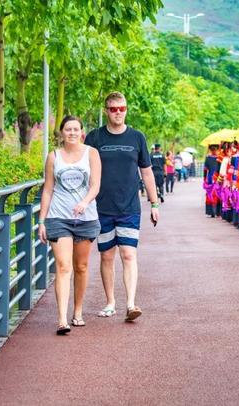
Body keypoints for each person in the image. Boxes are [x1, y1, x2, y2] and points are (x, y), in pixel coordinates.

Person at [84, 91, 159, 322]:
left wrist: (154, 203)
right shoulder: (95, 138)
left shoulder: (137, 137)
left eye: (122, 108)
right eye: (113, 109)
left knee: (128, 254)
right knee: (106, 257)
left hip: (129, 208)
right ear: (106, 111)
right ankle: (110, 302)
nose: (118, 113)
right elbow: (82, 169)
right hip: (102, 207)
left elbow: (146, 172)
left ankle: (130, 304)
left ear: (127, 110)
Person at [38, 116, 101, 335]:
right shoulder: (53, 156)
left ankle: (78, 312)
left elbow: (95, 186)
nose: (72, 133)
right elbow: (47, 189)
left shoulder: (91, 153)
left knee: (81, 267)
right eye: (68, 129)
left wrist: (84, 202)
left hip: (86, 218)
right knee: (64, 266)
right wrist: (42, 221)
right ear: (62, 133)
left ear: (81, 132)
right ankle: (62, 319)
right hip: (58, 217)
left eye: (76, 129)